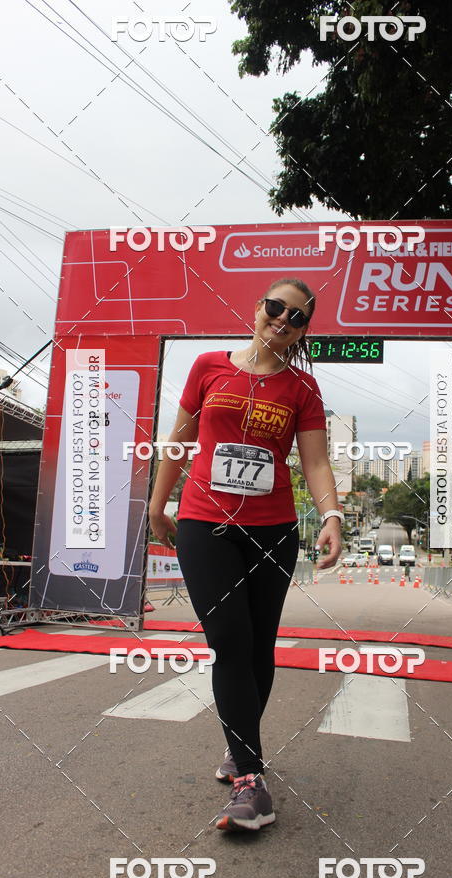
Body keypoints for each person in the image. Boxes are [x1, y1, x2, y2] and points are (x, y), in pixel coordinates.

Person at [149, 278, 342, 833]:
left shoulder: (302, 388)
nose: (284, 319)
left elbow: (315, 463)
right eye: (276, 307)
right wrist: (158, 505)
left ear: (304, 331)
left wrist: (332, 515)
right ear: (258, 308)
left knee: (258, 646)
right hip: (205, 524)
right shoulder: (208, 366)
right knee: (229, 641)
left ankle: (241, 750)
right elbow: (179, 441)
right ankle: (251, 785)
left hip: (272, 530)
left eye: (297, 317)